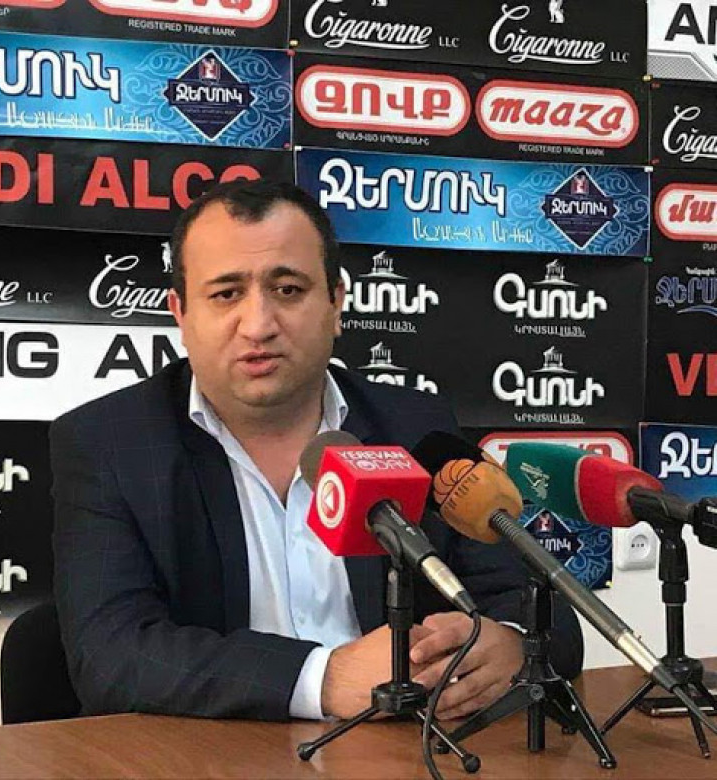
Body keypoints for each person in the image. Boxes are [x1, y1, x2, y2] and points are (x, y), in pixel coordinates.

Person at [51, 180, 583, 722]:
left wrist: (511, 644)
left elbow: (542, 603)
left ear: (336, 303)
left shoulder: (414, 426)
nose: (259, 325)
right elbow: (110, 654)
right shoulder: (107, 444)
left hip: (402, 748)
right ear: (181, 314)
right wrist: (321, 679)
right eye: (226, 294)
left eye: (288, 289)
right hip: (213, 751)